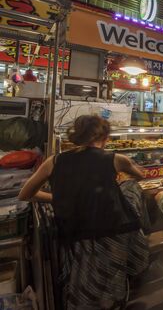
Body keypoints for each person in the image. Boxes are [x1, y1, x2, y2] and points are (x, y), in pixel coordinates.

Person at [18, 115, 148, 309]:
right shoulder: (115, 159)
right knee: (130, 187)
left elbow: (25, 194)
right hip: (113, 231)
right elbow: (140, 176)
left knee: (89, 286)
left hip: (76, 231)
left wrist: (58, 197)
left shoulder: (54, 161)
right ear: (105, 137)